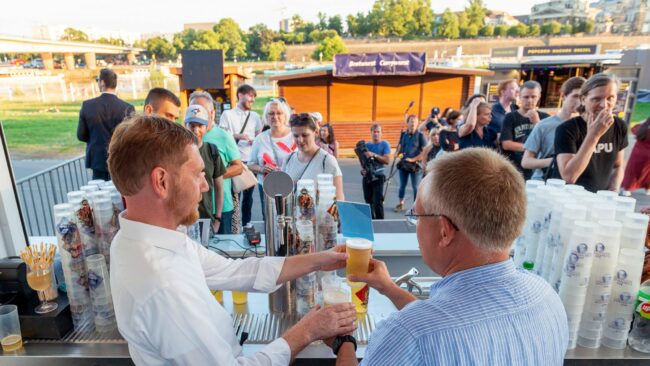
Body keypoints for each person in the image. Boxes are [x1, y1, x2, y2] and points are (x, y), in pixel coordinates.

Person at [107, 114, 356, 365]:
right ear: (161, 181)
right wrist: (308, 330)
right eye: (197, 174)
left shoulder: (142, 238)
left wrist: (320, 259)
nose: (205, 186)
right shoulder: (162, 286)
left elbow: (236, 271)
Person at [333, 148, 568, 365]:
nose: (415, 224)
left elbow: (427, 331)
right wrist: (390, 288)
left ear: (445, 231)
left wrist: (343, 341)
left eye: (417, 215)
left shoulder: (407, 335)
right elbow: (450, 323)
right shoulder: (548, 298)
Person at [555, 73, 629, 193]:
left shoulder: (619, 126)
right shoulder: (567, 129)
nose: (604, 105)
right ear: (583, 100)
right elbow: (569, 176)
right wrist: (594, 135)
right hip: (569, 200)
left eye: (610, 98)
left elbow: (618, 165)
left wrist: (614, 190)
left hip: (600, 200)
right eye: (596, 99)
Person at [190, 91, 244, 234]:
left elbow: (238, 167)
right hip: (194, 208)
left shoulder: (223, 136)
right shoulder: (183, 138)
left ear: (212, 113)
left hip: (220, 208)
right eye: (194, 108)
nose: (197, 112)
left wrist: (214, 174)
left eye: (202, 110)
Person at [522, 77, 586, 180]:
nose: (579, 102)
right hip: (544, 181)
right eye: (575, 96)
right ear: (563, 96)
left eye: (583, 98)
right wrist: (555, 161)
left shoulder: (587, 126)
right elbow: (526, 161)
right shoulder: (544, 125)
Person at [77, 68, 134, 180]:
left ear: (102, 82)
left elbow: (81, 135)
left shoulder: (87, 105)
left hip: (98, 160)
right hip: (120, 159)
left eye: (98, 80)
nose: (98, 83)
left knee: (100, 194)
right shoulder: (127, 107)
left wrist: (95, 138)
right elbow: (130, 136)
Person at [219, 84, 263, 227]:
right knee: (234, 196)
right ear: (240, 95)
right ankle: (234, 225)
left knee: (248, 197)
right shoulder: (228, 114)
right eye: (250, 96)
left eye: (254, 97)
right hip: (233, 161)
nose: (252, 100)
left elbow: (259, 136)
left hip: (250, 161)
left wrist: (254, 141)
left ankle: (246, 223)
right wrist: (238, 136)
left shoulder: (255, 116)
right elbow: (222, 136)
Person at [249, 99, 295, 219]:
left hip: (292, 185)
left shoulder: (295, 136)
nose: (275, 116)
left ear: (285, 116)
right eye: (271, 113)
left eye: (279, 113)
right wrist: (262, 168)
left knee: (291, 219)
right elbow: (250, 165)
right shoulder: (260, 139)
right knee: (270, 220)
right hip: (267, 187)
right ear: (266, 117)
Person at [183, 104, 226, 233]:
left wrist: (217, 218)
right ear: (185, 126)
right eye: (192, 125)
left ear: (206, 127)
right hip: (183, 219)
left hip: (206, 218)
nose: (196, 130)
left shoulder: (211, 151)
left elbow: (219, 188)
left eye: (200, 126)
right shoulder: (177, 151)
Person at [283, 113, 345, 201]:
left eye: (305, 135)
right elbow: (283, 194)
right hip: (292, 214)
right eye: (296, 136)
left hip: (319, 214)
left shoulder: (327, 161)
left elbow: (339, 200)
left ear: (316, 132)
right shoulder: (288, 159)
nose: (300, 140)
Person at [500, 81, 550, 179]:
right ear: (519, 96)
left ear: (539, 97)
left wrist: (537, 122)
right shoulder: (510, 117)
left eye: (533, 97)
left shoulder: (546, 118)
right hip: (514, 169)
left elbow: (548, 145)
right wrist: (533, 149)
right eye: (526, 97)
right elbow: (506, 144)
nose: (530, 100)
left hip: (538, 171)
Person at [394, 115, 427, 213]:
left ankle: (416, 207)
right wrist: (397, 152)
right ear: (407, 123)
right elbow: (400, 147)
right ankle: (401, 204)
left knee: (416, 187)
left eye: (415, 122)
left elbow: (425, 152)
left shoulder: (421, 136)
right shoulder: (403, 135)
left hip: (415, 166)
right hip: (404, 164)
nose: (413, 123)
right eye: (411, 121)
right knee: (402, 185)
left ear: (417, 124)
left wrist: (412, 159)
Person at [362, 124, 391, 220]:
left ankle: (380, 223)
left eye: (378, 132)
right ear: (371, 133)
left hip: (379, 176)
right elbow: (363, 163)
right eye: (374, 132)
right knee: (368, 201)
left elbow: (387, 161)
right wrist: (363, 170)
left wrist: (373, 155)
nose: (376, 134)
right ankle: (371, 222)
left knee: (377, 201)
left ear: (381, 133)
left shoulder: (384, 144)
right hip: (367, 177)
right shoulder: (367, 145)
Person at [621, 117, 650, 195]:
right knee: (647, 173)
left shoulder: (643, 127)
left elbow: (633, 129)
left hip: (637, 154)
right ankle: (647, 188)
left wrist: (645, 122)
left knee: (632, 172)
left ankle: (627, 189)